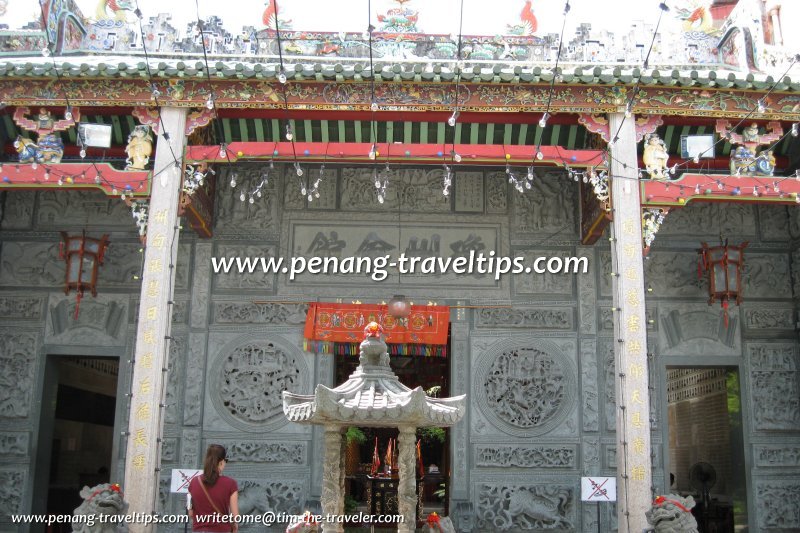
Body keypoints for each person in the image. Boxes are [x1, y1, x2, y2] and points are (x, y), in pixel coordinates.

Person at [188, 444, 239, 532]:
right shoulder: (231, 484)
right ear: (221, 462)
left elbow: (191, 513)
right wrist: (235, 527)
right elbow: (235, 516)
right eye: (226, 460)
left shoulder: (193, 482)